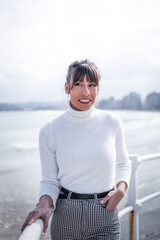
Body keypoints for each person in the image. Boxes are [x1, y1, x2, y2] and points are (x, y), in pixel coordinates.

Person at [21, 59, 131, 240]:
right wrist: (43, 204)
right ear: (67, 87)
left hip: (105, 213)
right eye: (79, 84)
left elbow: (123, 163)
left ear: (98, 89)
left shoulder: (112, 122)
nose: (86, 92)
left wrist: (121, 190)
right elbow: (50, 180)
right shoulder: (50, 130)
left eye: (92, 84)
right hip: (65, 216)